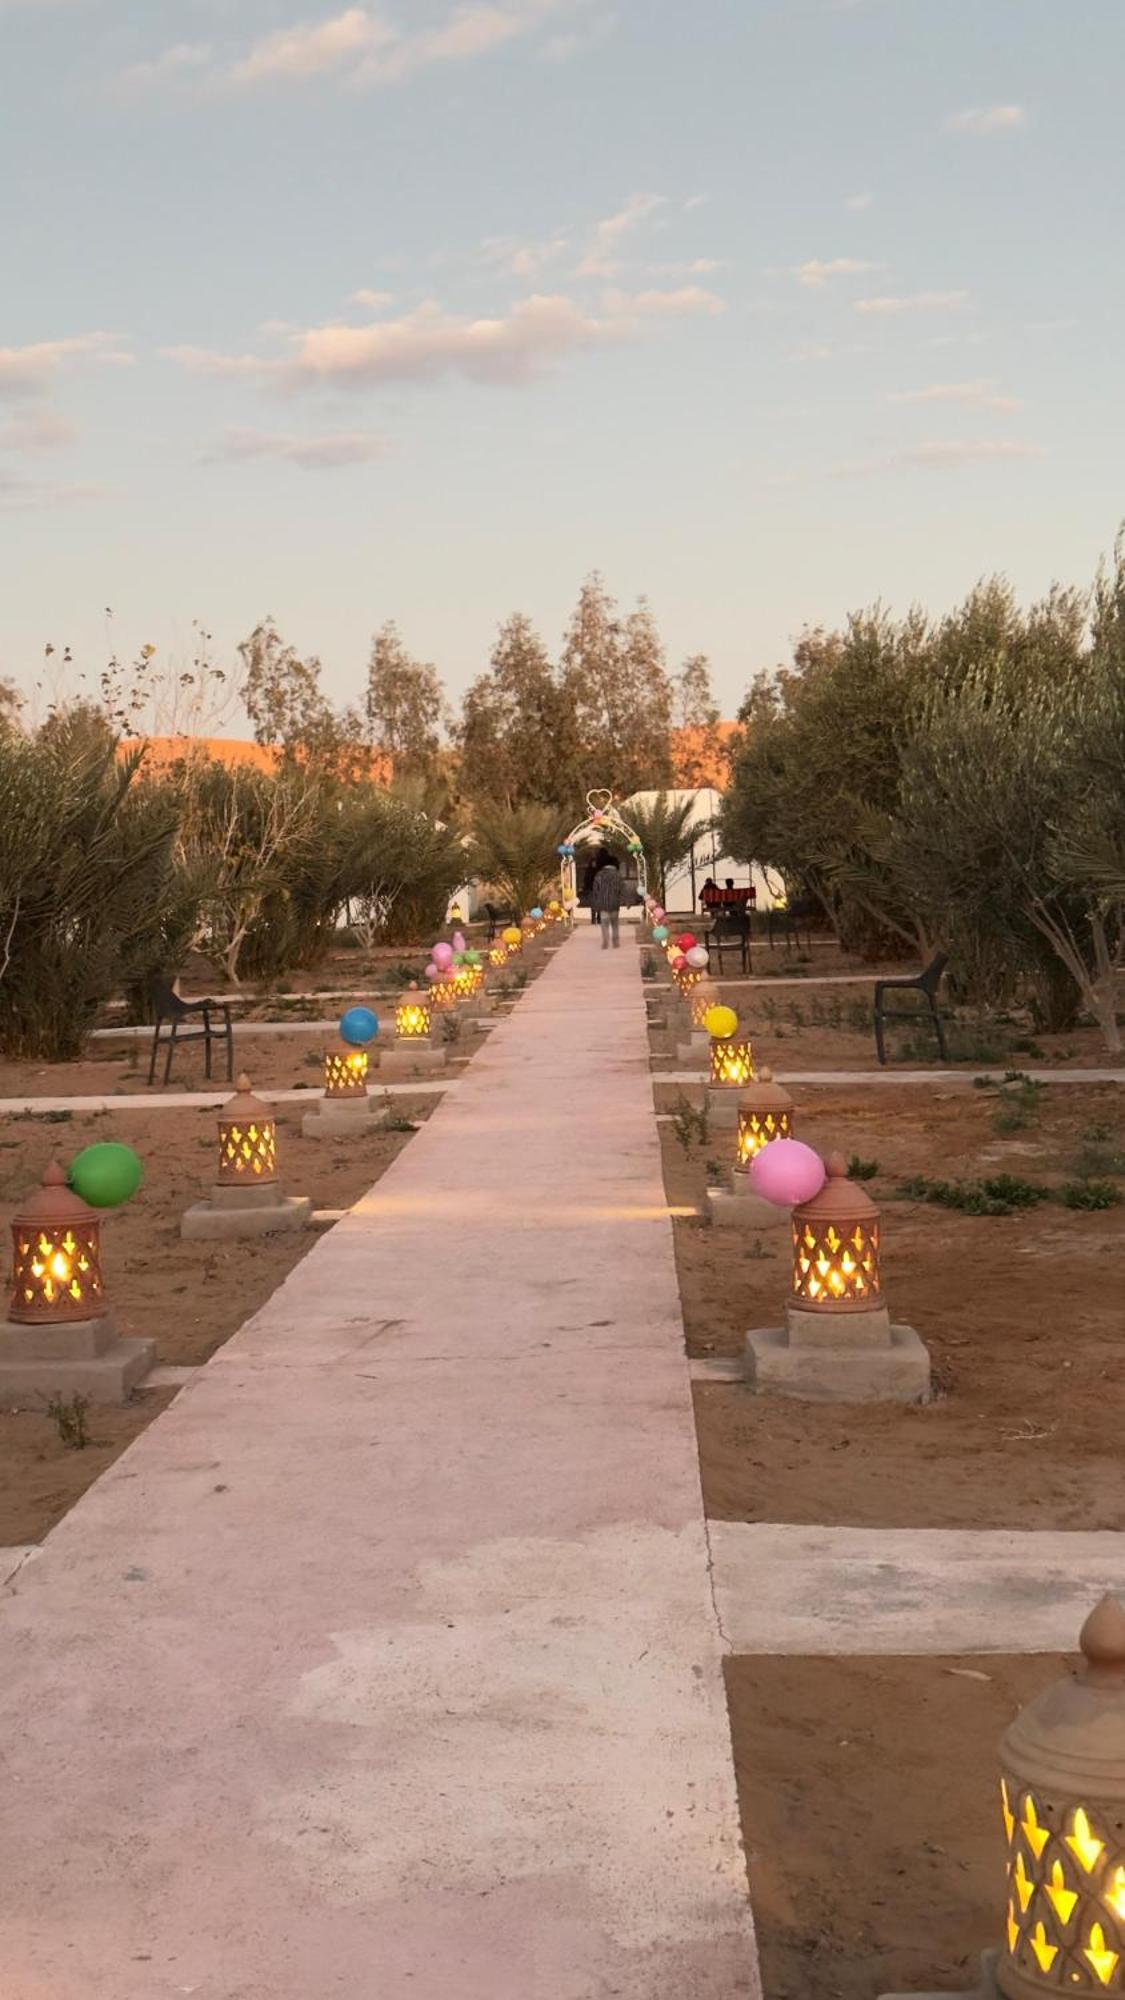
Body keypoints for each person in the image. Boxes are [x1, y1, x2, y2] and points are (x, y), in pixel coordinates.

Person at [591, 856, 624, 949]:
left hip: (603, 904)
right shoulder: (618, 875)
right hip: (615, 904)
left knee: (604, 924)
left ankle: (605, 942)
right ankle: (616, 942)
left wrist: (596, 902)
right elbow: (622, 889)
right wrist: (625, 900)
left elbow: (595, 890)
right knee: (615, 924)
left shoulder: (599, 875)